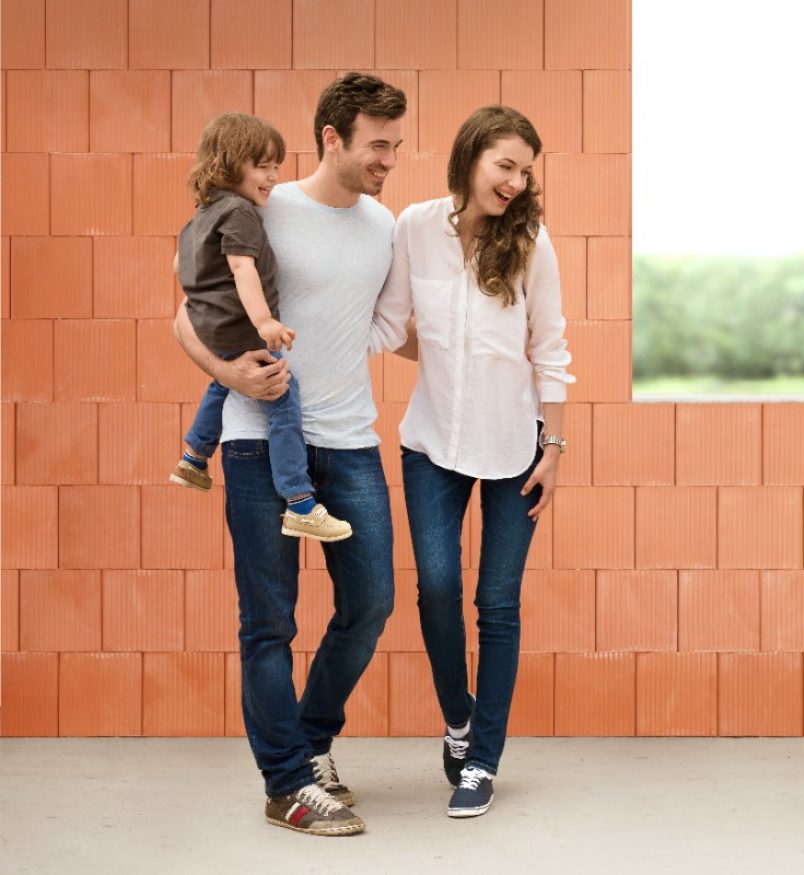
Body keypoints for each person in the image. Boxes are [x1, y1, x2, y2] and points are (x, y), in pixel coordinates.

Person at [173, 72, 407, 837]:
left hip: (351, 438)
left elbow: (387, 326)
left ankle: (310, 742)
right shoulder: (265, 209)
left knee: (371, 602)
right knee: (268, 622)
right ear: (332, 137)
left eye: (396, 145)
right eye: (378, 144)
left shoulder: (384, 226)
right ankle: (287, 785)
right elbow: (187, 314)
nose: (389, 160)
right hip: (255, 437)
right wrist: (225, 370)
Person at [370, 105, 574, 818]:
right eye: (505, 165)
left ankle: (482, 758)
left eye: (525, 170)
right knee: (435, 585)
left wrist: (554, 448)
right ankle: (458, 718)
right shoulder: (414, 227)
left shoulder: (532, 244)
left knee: (498, 604)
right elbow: (392, 325)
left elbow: (550, 349)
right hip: (431, 442)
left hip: (514, 444)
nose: (515, 182)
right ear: (470, 159)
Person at [169, 112, 351, 543]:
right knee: (284, 399)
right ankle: (300, 502)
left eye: (276, 166)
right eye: (262, 166)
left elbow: (179, 265)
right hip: (240, 328)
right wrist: (264, 321)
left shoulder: (203, 213)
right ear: (231, 163)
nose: (272, 177)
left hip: (213, 326)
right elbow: (241, 266)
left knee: (222, 384)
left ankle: (194, 457)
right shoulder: (240, 212)